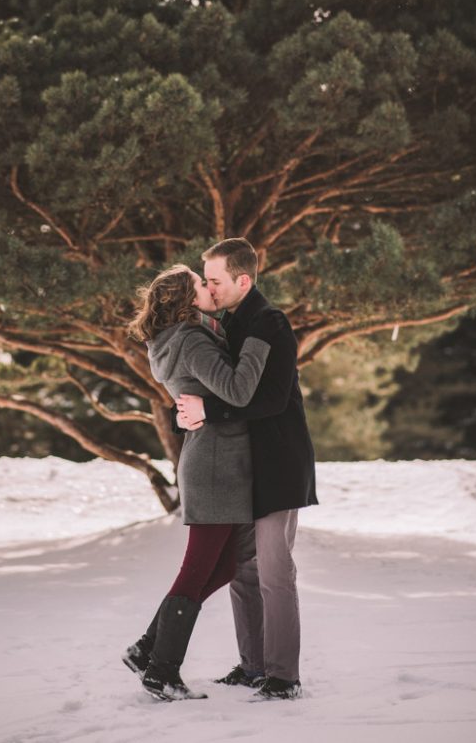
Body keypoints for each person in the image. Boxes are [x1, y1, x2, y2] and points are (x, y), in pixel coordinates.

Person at [176, 237, 318, 701]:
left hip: (279, 465)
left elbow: (271, 400)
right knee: (242, 571)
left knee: (276, 572)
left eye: (215, 281)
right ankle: (252, 665)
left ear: (242, 279)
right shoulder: (227, 324)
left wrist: (209, 412)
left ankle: (283, 677)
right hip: (242, 467)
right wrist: (191, 411)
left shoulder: (267, 321)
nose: (209, 289)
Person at [124, 263, 272, 702]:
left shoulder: (172, 340)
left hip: (212, 461)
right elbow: (237, 390)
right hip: (214, 465)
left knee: (223, 567)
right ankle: (162, 672)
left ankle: (147, 647)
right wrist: (258, 344)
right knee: (195, 570)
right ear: (188, 302)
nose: (210, 288)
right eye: (201, 284)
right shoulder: (191, 340)